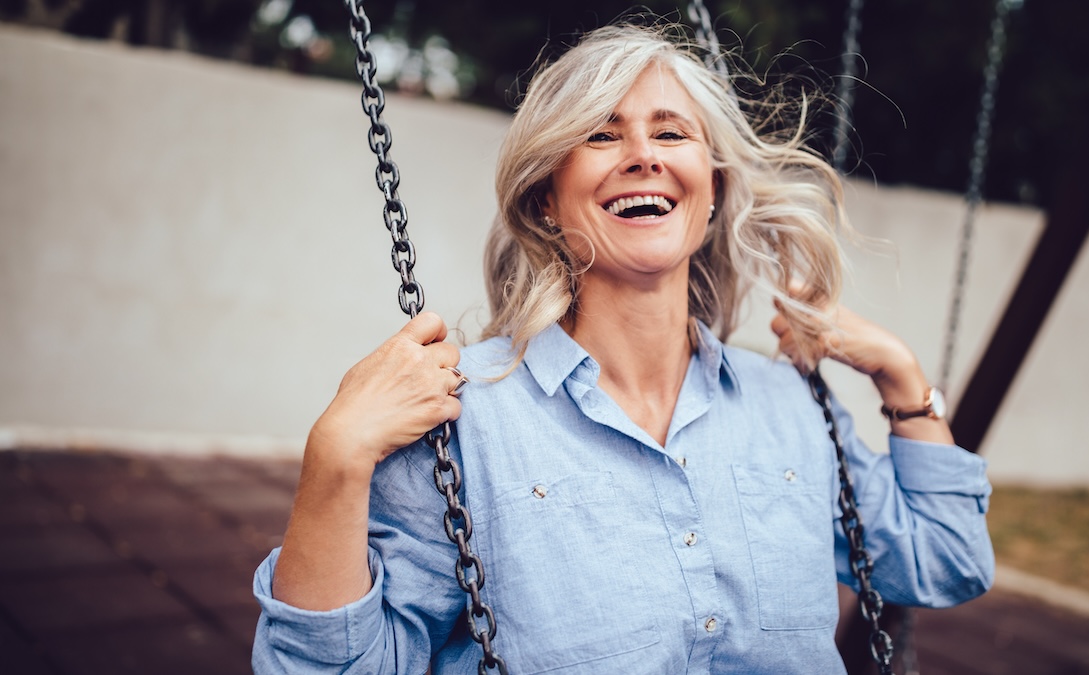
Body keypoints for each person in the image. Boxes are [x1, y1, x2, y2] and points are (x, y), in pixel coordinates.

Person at [251, 22, 993, 674]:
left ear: (711, 191)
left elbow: (946, 559)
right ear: (547, 195)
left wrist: (901, 375)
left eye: (671, 133)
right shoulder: (461, 419)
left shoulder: (788, 405)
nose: (643, 154)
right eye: (602, 134)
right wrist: (336, 458)